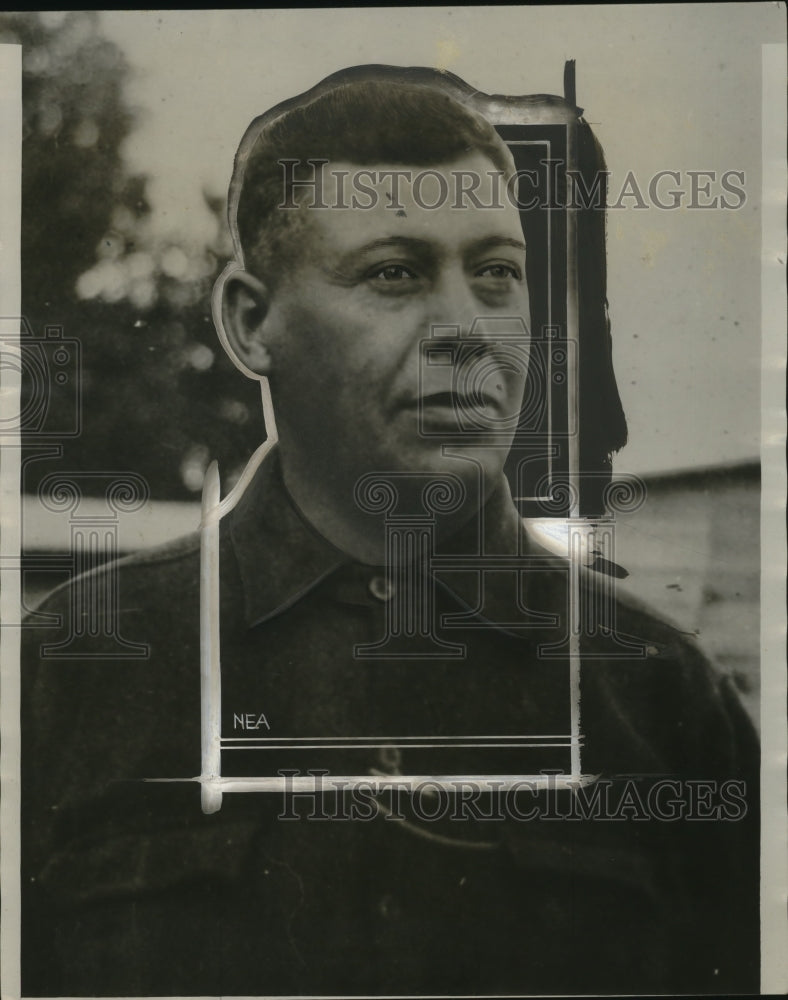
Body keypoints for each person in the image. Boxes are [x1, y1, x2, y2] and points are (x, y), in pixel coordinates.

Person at [21, 68, 759, 996]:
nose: (467, 332)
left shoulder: (663, 700)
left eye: (497, 274)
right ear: (251, 323)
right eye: (395, 274)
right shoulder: (69, 673)